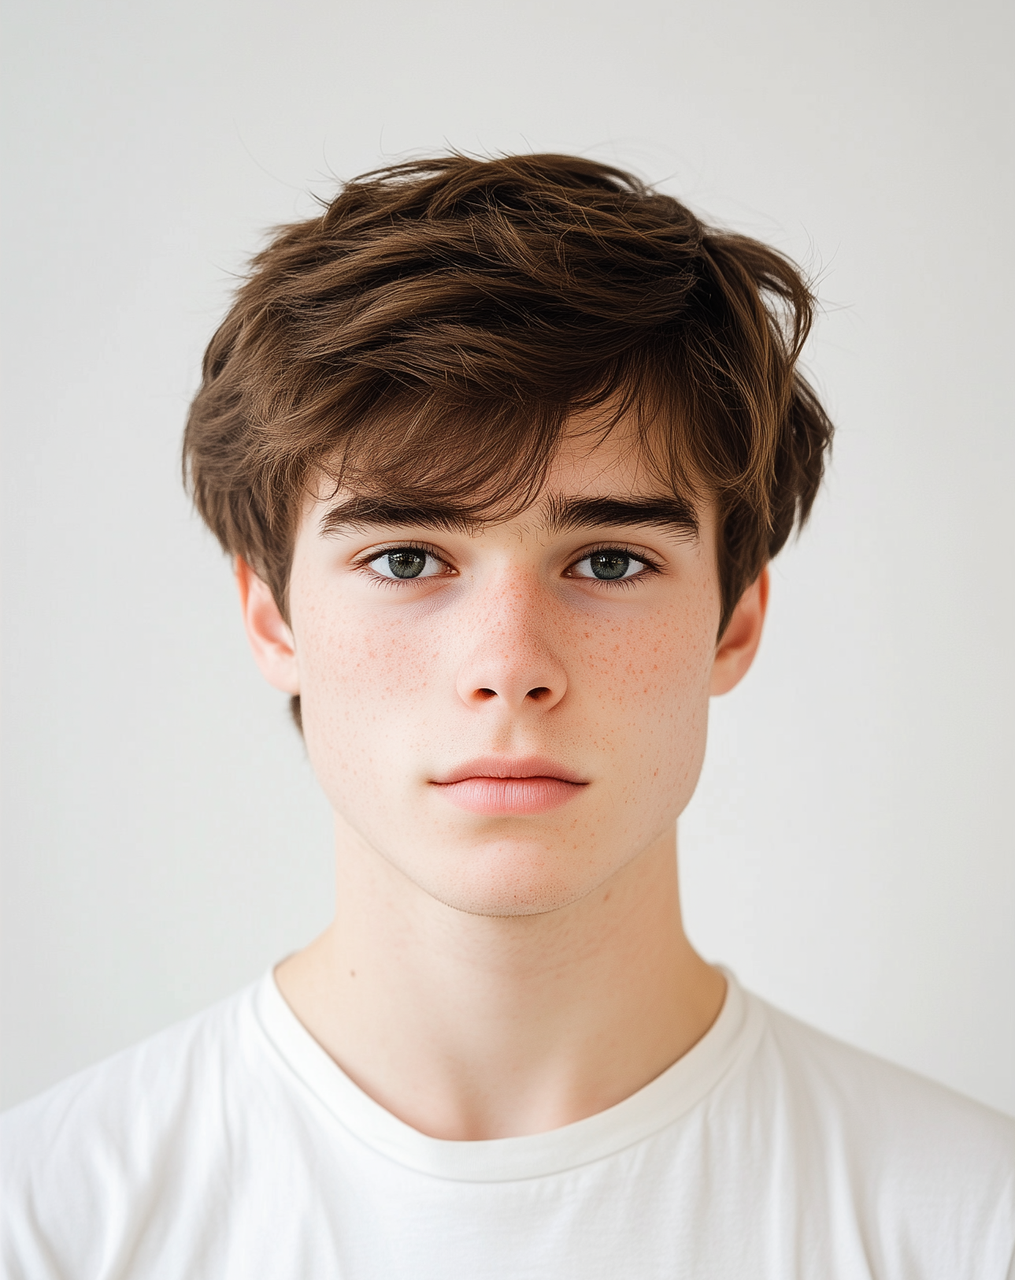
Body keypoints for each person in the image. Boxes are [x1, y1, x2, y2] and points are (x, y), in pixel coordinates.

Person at [2, 153, 1013, 1280]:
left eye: (611, 559)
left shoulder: (968, 1224)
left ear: (732, 621)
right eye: (405, 557)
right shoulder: (48, 1224)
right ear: (272, 617)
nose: (510, 667)